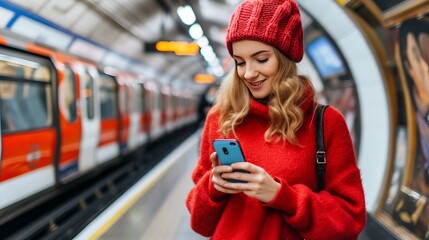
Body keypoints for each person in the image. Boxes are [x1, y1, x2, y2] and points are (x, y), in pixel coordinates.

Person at [186, 0, 366, 239]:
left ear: (285, 58)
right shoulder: (221, 118)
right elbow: (200, 224)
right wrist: (213, 187)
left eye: (261, 59)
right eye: (240, 62)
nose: (249, 73)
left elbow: (350, 219)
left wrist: (283, 197)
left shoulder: (325, 122)